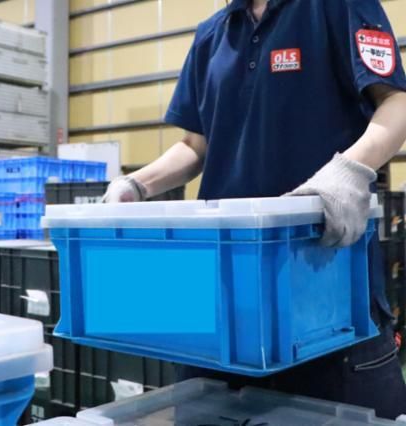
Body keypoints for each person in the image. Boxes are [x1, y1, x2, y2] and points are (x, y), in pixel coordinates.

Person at [103, 0, 406, 419]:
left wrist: (348, 171)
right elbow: (195, 145)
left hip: (328, 292)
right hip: (228, 304)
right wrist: (136, 184)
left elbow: (396, 104)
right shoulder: (211, 36)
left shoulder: (337, 6)